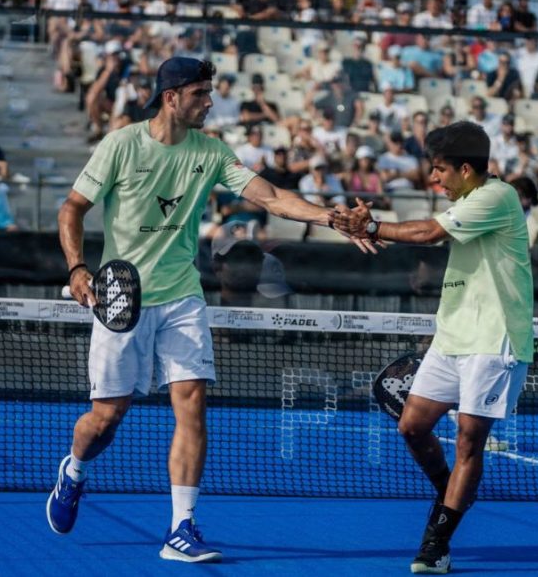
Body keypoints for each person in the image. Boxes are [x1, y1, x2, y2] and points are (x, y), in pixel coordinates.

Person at [50, 57, 346, 563]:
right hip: (122, 296)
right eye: (200, 94)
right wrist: (78, 268)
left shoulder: (211, 152)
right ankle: (74, 470)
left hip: (182, 296)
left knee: (192, 403)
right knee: (105, 420)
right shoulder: (121, 145)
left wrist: (329, 217)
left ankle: (181, 528)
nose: (210, 102)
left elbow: (272, 197)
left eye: (210, 93)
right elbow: (72, 207)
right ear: (171, 97)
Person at [331, 121, 533, 575]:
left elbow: (427, 233)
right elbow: (426, 232)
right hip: (452, 338)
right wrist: (366, 226)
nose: (434, 178)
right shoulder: (467, 200)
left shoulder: (497, 197)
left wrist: (373, 225)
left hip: (493, 341)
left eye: (440, 169)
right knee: (412, 427)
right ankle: (450, 492)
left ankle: (436, 543)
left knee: (468, 442)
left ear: (466, 169)